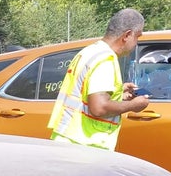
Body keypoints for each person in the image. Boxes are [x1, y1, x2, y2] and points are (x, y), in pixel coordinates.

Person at [48, 8, 150, 150]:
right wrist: (134, 105)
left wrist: (118, 91)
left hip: (69, 140)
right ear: (127, 35)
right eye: (137, 37)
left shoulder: (90, 51)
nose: (136, 43)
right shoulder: (105, 59)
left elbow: (85, 92)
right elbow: (99, 107)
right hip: (84, 146)